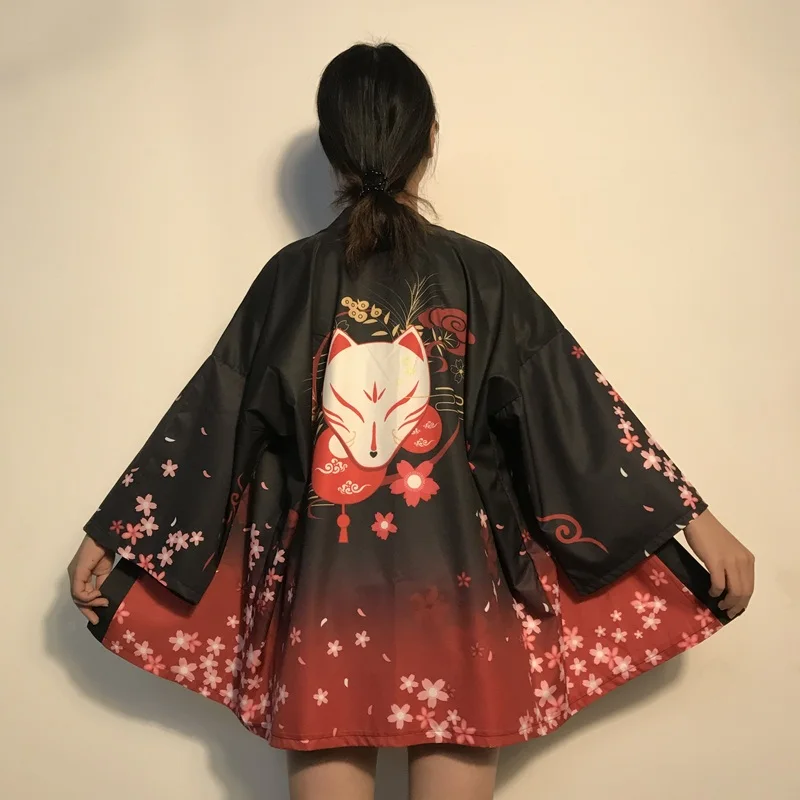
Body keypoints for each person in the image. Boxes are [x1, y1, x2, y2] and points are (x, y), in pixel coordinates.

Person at [67, 42, 754, 800]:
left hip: (322, 599)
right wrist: (696, 522)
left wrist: (119, 532)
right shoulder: (481, 274)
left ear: (334, 150)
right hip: (459, 597)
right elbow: (571, 411)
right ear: (428, 139)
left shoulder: (290, 278)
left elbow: (217, 416)